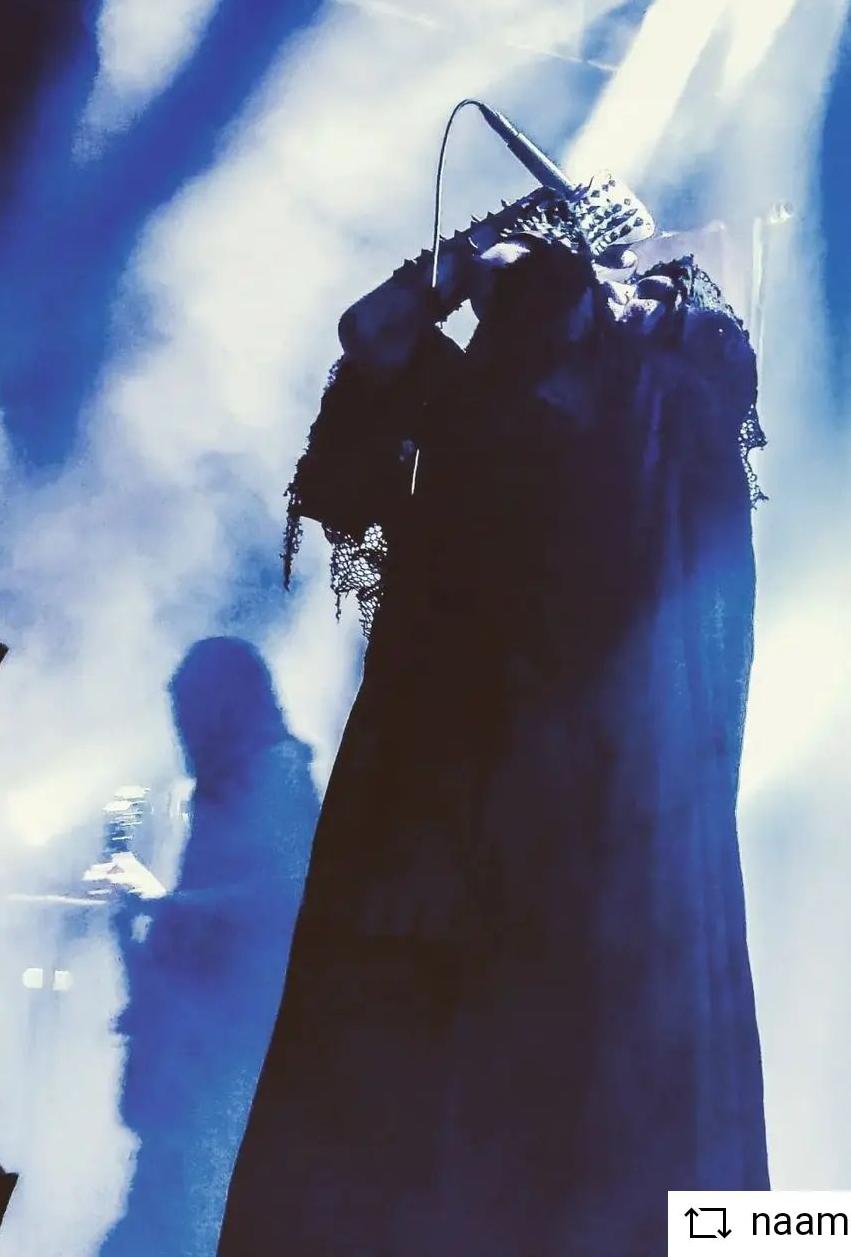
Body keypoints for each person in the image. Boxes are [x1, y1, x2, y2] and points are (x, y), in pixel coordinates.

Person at [220, 193, 770, 1255]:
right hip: (467, 793)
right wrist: (496, 233)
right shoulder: (485, 394)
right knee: (446, 1079)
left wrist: (611, 261)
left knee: (570, 1080)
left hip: (595, 805)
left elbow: (714, 348)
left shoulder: (666, 381)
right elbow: (371, 331)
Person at [102, 638, 318, 1257]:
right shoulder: (223, 787)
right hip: (197, 1063)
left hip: (228, 1060)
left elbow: (286, 900)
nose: (182, 730)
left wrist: (169, 908)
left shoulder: (275, 773)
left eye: (189, 710)